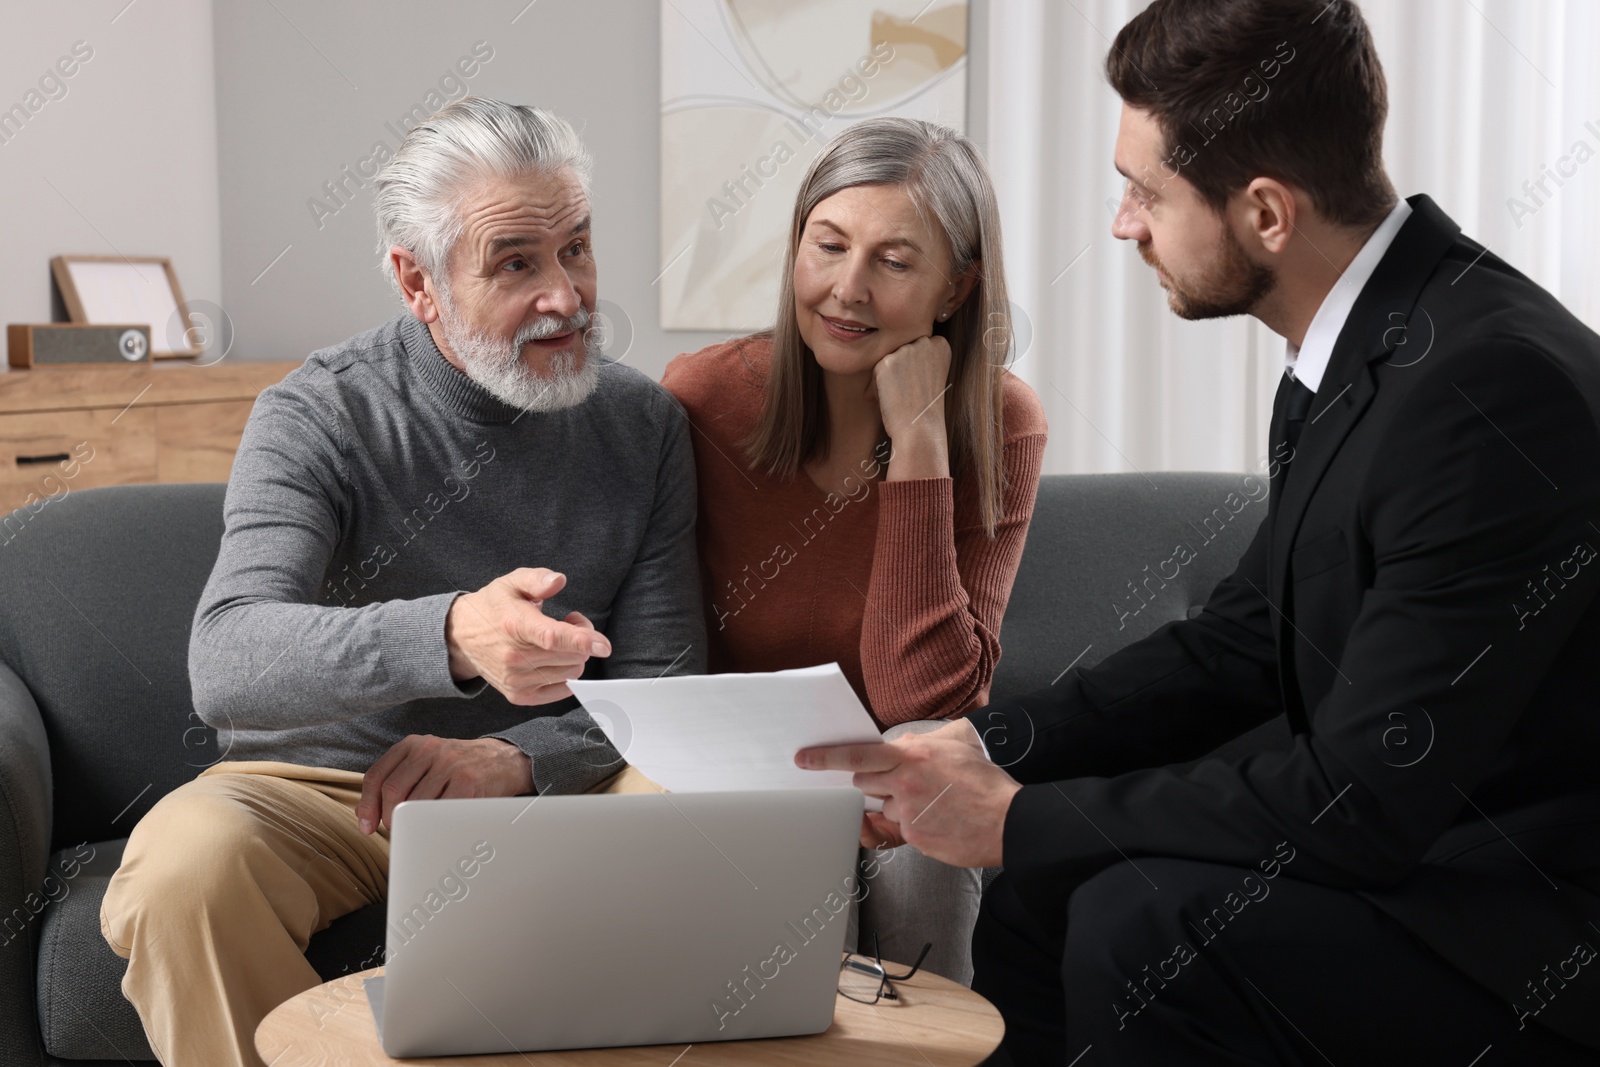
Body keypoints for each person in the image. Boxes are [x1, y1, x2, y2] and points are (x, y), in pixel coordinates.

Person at [796, 1, 1600, 1063]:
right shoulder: (1366, 345)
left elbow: (1364, 793)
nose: (1123, 223)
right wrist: (984, 748)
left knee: (1143, 925)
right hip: (1420, 853)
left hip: (1521, 923)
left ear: (1266, 211)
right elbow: (1236, 643)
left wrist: (1016, 817)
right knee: (1053, 891)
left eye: (1145, 191)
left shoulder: (1488, 391)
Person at [99, 98, 706, 1067]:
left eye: (578, 248)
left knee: (690, 788)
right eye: (515, 263)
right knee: (184, 866)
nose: (567, 296)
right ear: (416, 280)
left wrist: (520, 758)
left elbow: (666, 690)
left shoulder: (645, 424)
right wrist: (453, 633)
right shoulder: (317, 414)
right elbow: (227, 657)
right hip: (332, 789)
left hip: (557, 784)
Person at [664, 117, 1046, 986]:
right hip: (742, 764)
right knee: (802, 826)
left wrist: (918, 442)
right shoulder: (703, 399)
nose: (847, 289)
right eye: (827, 246)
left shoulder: (1001, 422)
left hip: (896, 769)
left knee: (927, 779)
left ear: (958, 289)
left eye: (895, 261)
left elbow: (927, 696)